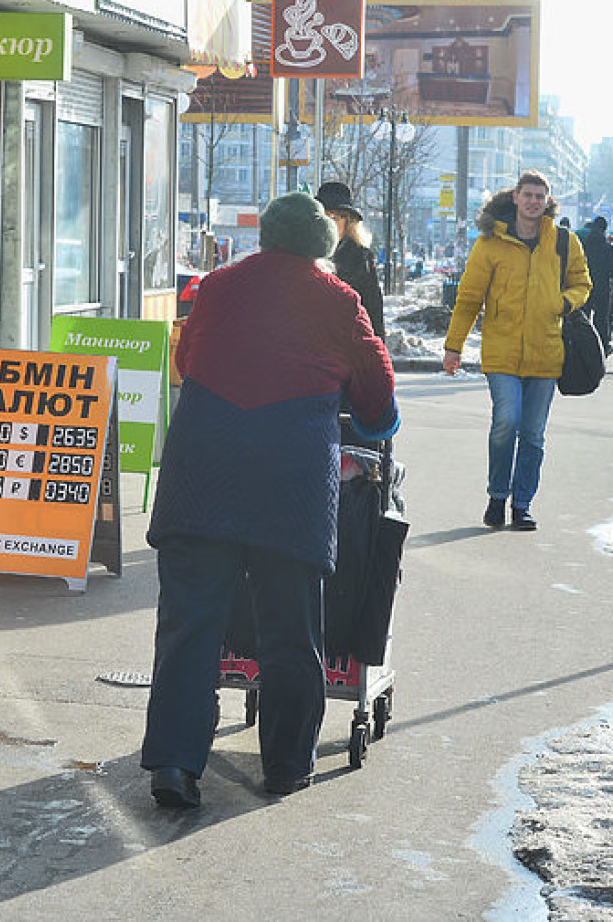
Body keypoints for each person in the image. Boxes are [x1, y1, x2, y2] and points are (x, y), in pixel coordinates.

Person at [141, 192, 399, 808]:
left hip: (201, 472)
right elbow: (376, 393)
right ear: (324, 246)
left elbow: (188, 358)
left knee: (190, 625)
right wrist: (375, 420)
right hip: (289, 485)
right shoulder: (339, 301)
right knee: (292, 627)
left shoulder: (219, 286)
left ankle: (175, 766)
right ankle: (286, 764)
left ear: (266, 236)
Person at [442, 171, 591, 532]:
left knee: (534, 433)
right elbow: (468, 299)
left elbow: (582, 283)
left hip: (546, 352)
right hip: (502, 351)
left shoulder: (563, 241)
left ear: (548, 201)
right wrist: (453, 346)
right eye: (528, 195)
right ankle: (497, 497)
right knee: (506, 422)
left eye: (540, 196)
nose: (533, 202)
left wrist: (563, 303)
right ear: (515, 198)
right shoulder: (491, 243)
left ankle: (522, 505)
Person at [315, 181, 385, 337]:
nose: (329, 225)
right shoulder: (304, 255)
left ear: (348, 223)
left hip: (347, 343)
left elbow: (373, 311)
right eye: (324, 217)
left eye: (335, 218)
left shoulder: (360, 258)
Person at [575, 216, 613, 355]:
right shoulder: (607, 247)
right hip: (603, 288)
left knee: (584, 318)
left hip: (584, 287)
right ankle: (602, 346)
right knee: (601, 318)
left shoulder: (583, 246)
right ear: (604, 229)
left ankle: (583, 346)